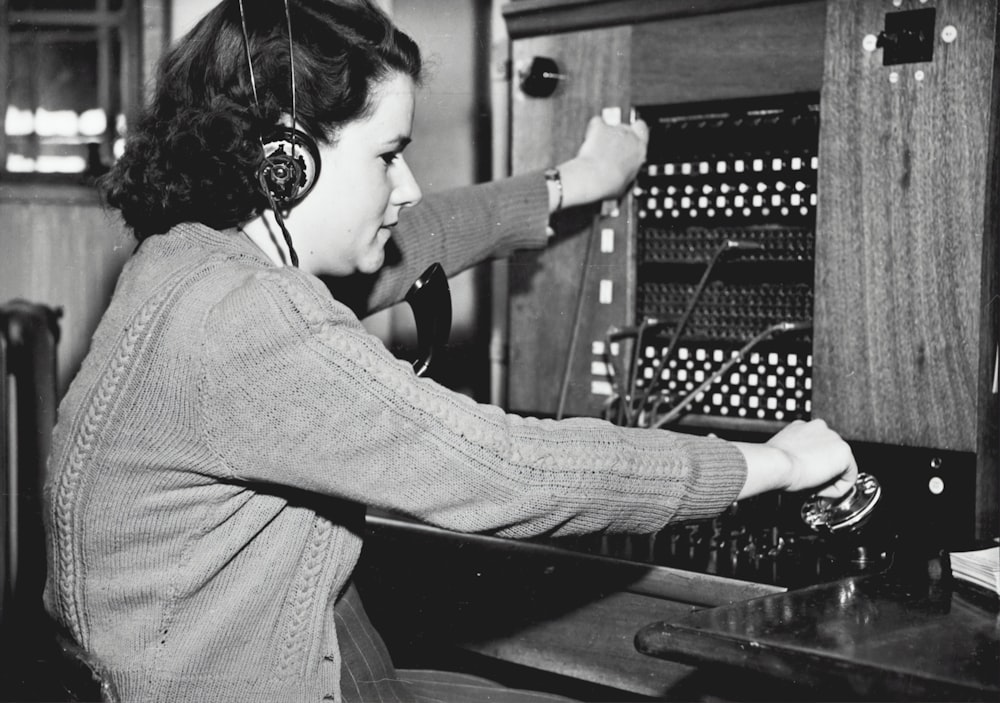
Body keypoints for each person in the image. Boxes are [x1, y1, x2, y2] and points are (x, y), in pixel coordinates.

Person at [42, 1, 858, 701]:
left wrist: (572, 181)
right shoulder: (243, 320)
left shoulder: (189, 258)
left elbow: (423, 236)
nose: (408, 187)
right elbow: (505, 469)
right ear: (285, 162)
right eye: (389, 155)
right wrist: (767, 465)